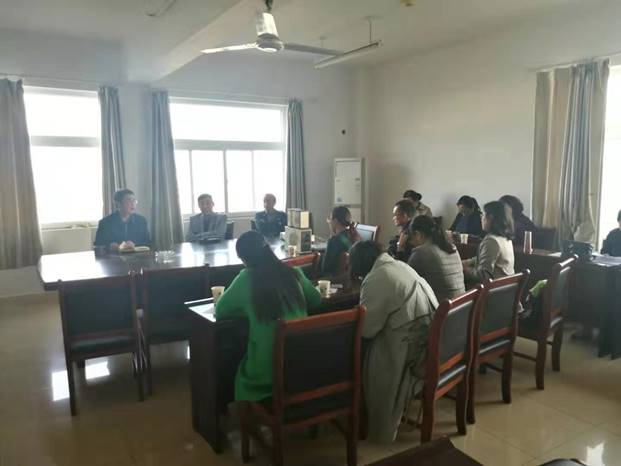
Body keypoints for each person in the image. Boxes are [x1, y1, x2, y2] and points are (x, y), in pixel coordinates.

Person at [215, 231, 321, 401]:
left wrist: (244, 309)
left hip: (266, 374)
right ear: (268, 250)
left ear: (244, 259)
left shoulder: (245, 279)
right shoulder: (293, 272)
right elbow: (316, 300)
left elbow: (221, 310)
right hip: (300, 366)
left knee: (234, 366)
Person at [350, 241, 437, 443]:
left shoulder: (377, 277)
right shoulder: (399, 266)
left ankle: (369, 419)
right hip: (430, 340)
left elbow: (366, 330)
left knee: (364, 350)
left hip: (412, 349)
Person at [408, 216, 465, 301]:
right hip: (461, 304)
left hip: (441, 307)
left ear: (418, 234)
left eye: (411, 238)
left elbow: (405, 280)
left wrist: (400, 248)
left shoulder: (421, 252)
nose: (412, 243)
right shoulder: (452, 248)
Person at [462, 201, 515, 284]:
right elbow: (485, 258)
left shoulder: (491, 241)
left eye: (483, 215)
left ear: (490, 218)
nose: (481, 218)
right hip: (505, 288)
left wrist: (464, 270)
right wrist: (465, 263)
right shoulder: (505, 239)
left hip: (493, 289)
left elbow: (483, 275)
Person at [321, 206, 361, 276]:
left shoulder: (334, 241)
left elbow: (325, 269)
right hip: (349, 278)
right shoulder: (352, 235)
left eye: (330, 219)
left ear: (335, 221)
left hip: (333, 279)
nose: (329, 222)